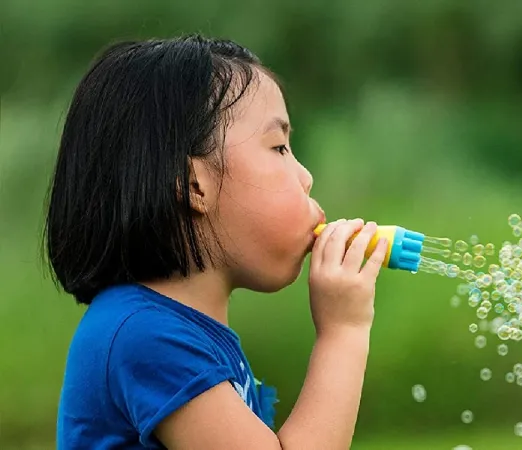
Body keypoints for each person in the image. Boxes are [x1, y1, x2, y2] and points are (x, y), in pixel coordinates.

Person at [45, 33, 388, 449]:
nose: (306, 177)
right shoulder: (144, 336)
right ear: (194, 184)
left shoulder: (174, 330)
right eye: (279, 147)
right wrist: (343, 332)